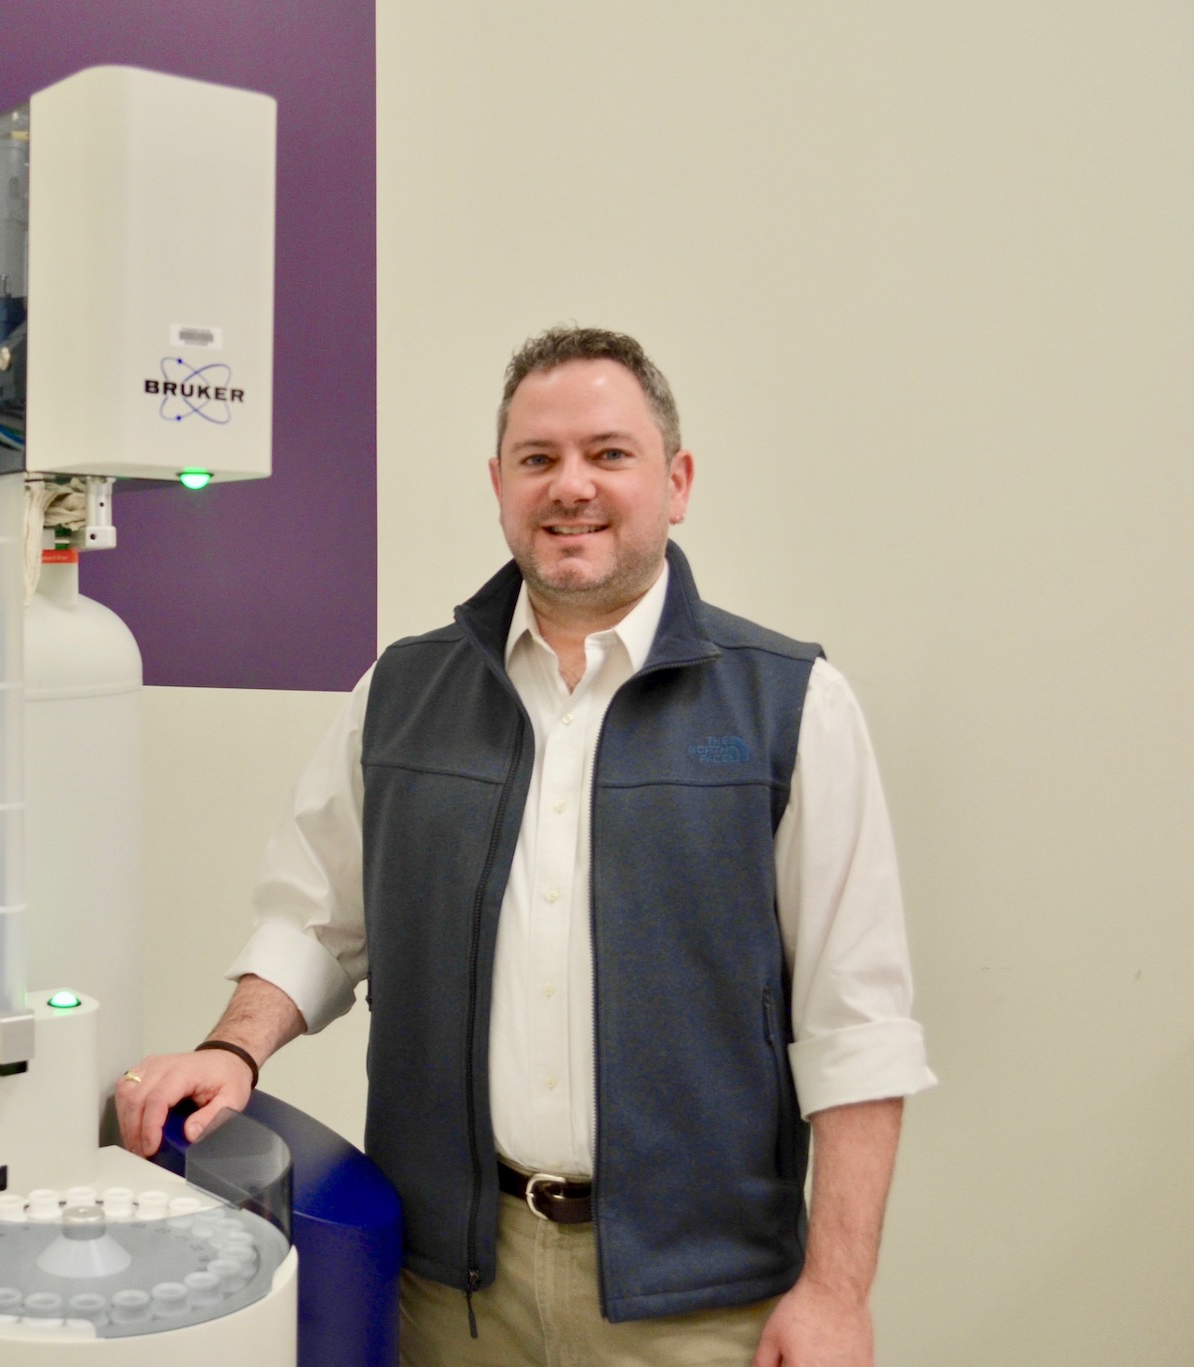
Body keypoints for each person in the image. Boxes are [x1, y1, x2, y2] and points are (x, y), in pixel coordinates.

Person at [115, 326, 936, 1366]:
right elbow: (314, 919)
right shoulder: (399, 694)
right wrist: (230, 1046)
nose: (571, 486)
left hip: (696, 1305)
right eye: (537, 459)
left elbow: (853, 1025)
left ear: (674, 482)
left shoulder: (788, 704)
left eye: (609, 453)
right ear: (497, 484)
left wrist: (834, 1289)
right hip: (449, 1287)